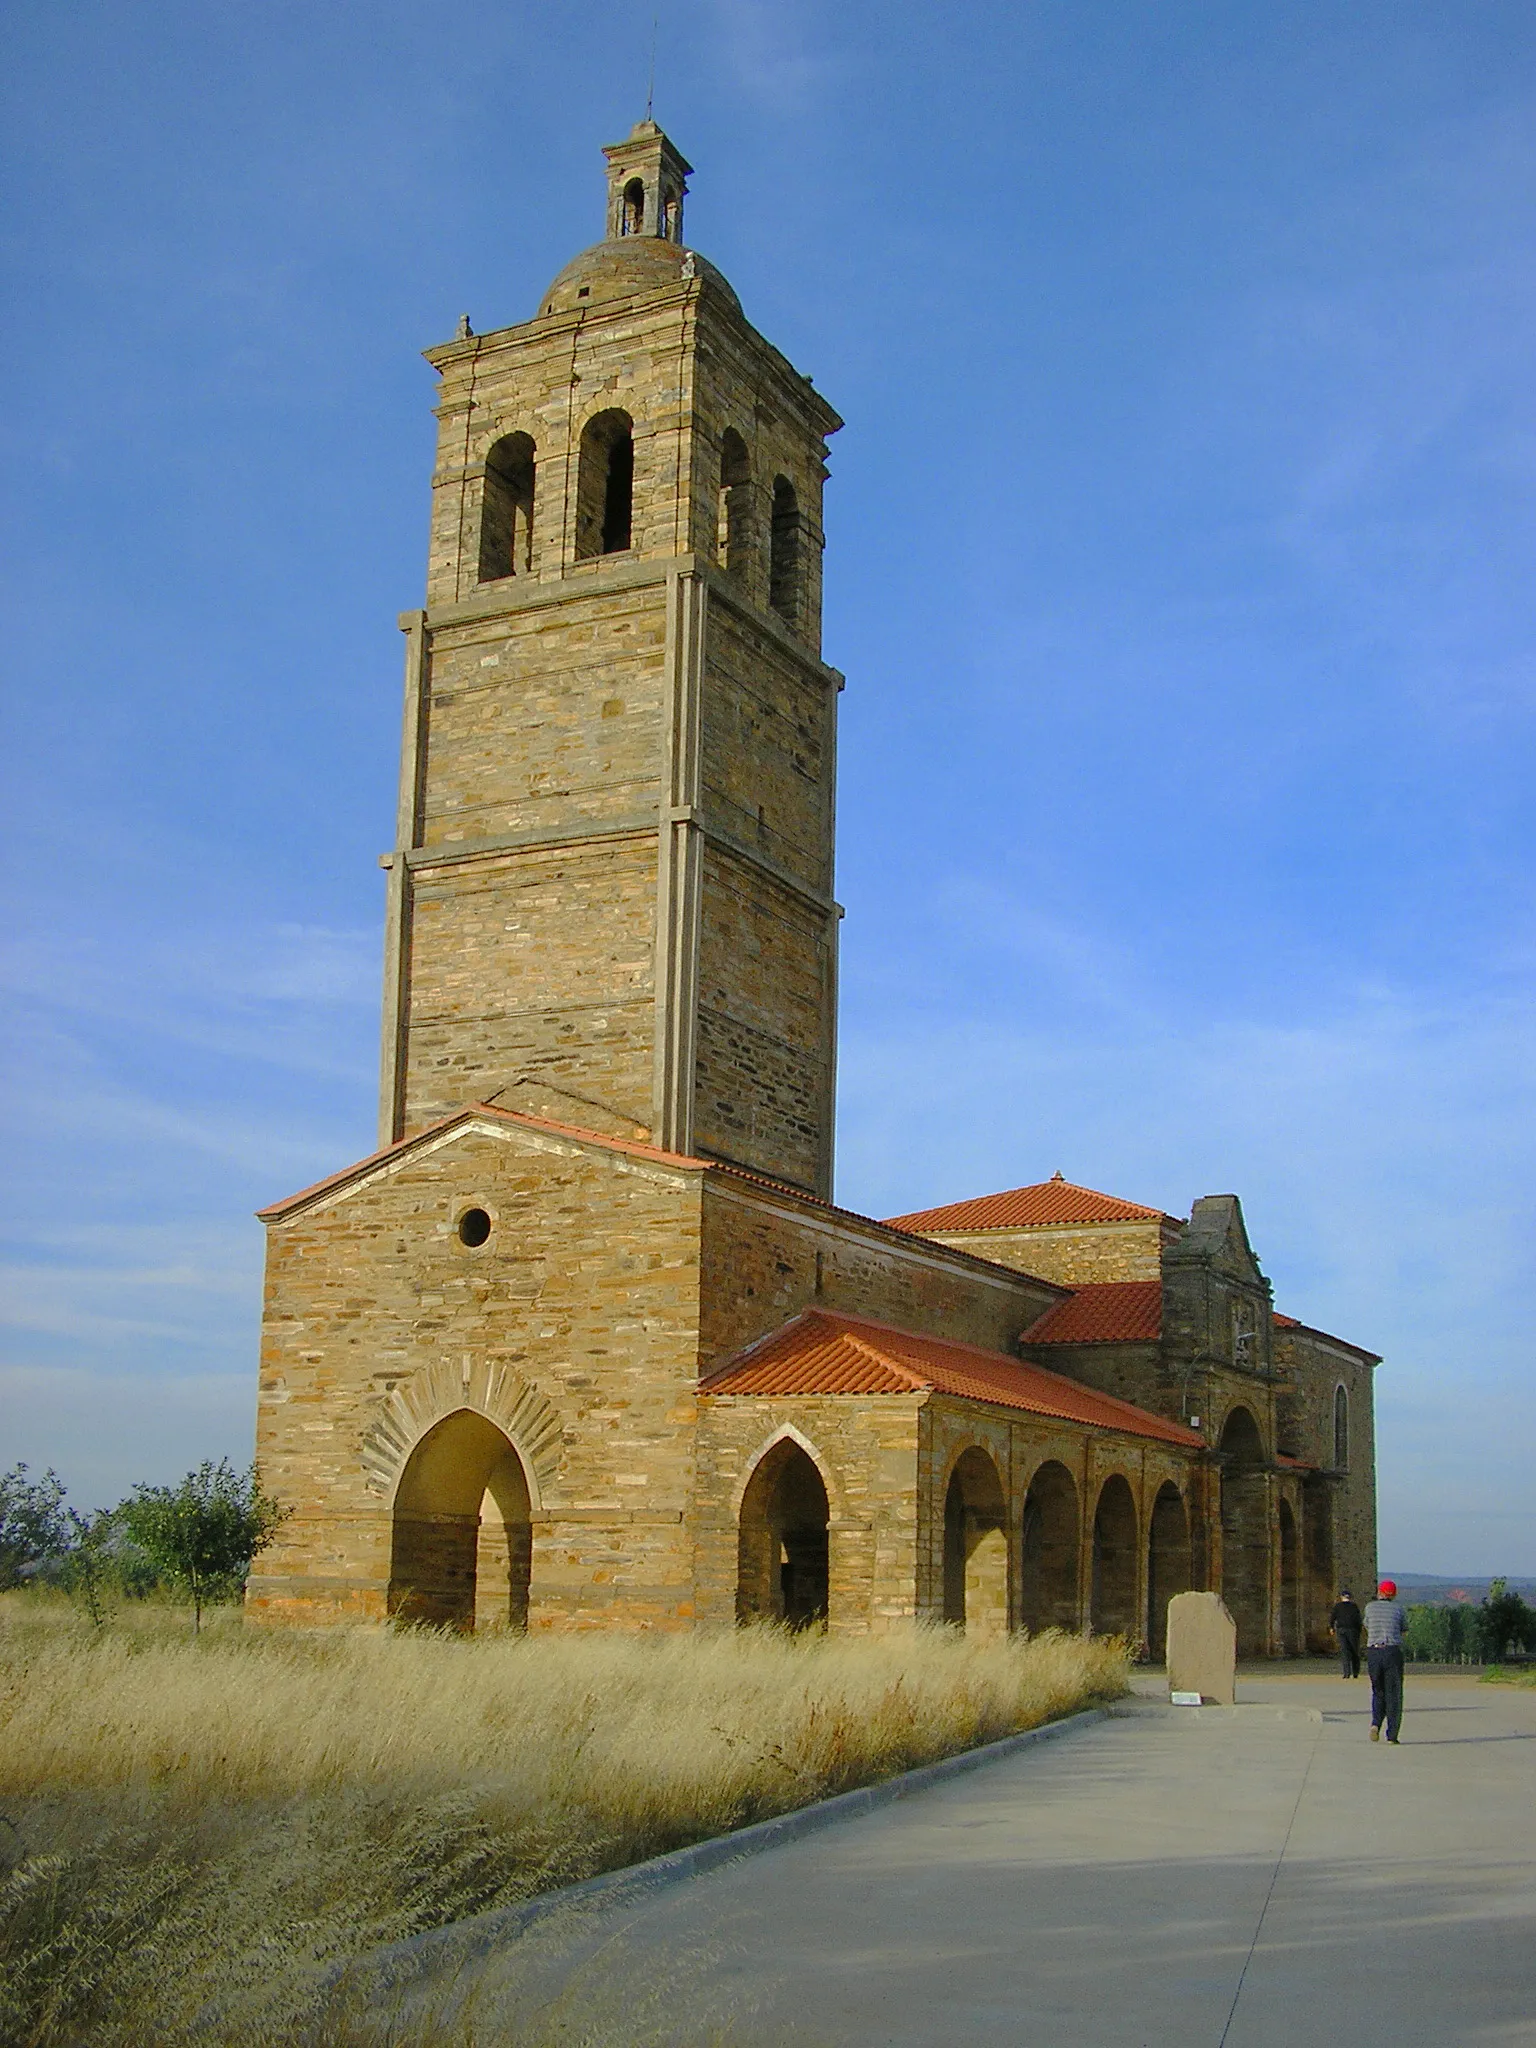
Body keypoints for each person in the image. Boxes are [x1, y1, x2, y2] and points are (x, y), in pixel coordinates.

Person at [1363, 1578, 1408, 1742]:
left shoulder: (1370, 1608)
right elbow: (1404, 1630)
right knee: (1393, 1694)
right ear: (1394, 1594)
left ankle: (1375, 1723)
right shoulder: (1398, 1609)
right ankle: (1392, 1735)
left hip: (1374, 1652)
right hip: (1392, 1651)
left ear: (1379, 1593)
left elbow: (1367, 1625)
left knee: (1378, 1690)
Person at [1330, 1588, 1364, 1678]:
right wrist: (1359, 1630)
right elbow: (1358, 1619)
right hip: (1353, 1630)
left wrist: (1331, 1627)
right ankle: (1355, 1672)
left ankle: (1346, 1673)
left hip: (1342, 1630)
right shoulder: (1354, 1606)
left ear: (1341, 1597)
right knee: (1354, 1651)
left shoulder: (1338, 1606)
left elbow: (1332, 1617)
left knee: (1345, 1651)